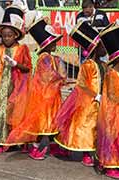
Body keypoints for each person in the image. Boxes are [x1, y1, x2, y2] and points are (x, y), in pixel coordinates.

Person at [6, 18, 66, 160]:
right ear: (48, 45)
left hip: (52, 95)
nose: (56, 44)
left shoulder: (51, 57)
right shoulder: (44, 58)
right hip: (44, 97)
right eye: (54, 42)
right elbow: (48, 76)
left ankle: (52, 145)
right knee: (43, 123)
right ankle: (37, 148)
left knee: (52, 122)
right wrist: (61, 77)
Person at [0, 5, 32, 154]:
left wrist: (16, 64)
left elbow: (28, 67)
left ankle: (11, 140)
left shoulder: (22, 49)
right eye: (4, 35)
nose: (6, 38)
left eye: (9, 35)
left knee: (12, 112)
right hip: (0, 83)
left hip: (16, 85)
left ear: (15, 35)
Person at [54, 21, 107, 166]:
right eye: (102, 45)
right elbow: (82, 85)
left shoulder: (103, 65)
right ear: (95, 48)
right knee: (86, 127)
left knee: (98, 127)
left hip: (101, 101)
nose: (105, 48)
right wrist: (95, 95)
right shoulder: (88, 65)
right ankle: (86, 153)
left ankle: (94, 152)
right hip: (88, 101)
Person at [96, 23, 119, 179]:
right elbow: (113, 96)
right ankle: (111, 164)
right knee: (112, 137)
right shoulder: (112, 74)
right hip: (113, 113)